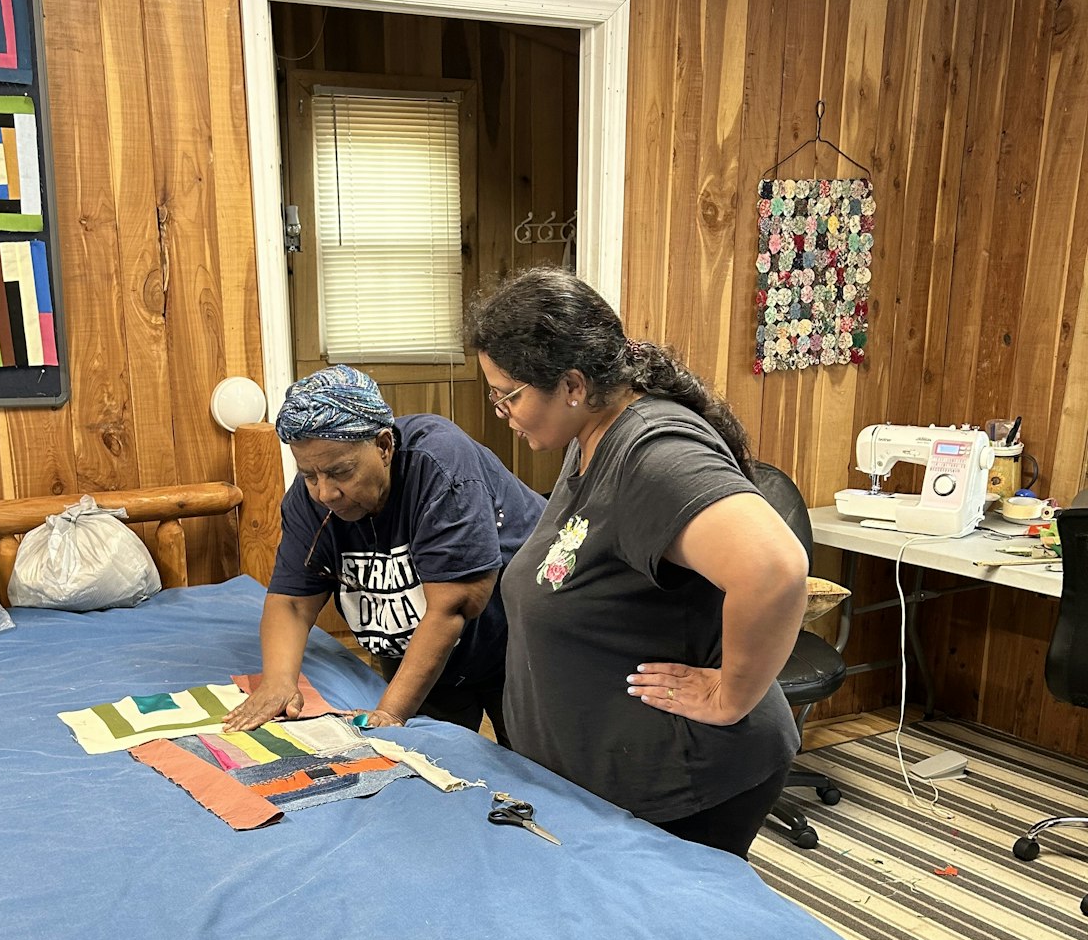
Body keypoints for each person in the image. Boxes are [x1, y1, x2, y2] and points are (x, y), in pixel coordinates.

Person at [464, 266, 808, 858]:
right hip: (609, 784)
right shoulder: (590, 438)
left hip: (684, 784)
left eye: (508, 394)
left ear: (572, 384)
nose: (501, 411)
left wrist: (730, 695)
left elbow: (774, 569)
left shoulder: (652, 453)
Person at [224, 364, 544, 745]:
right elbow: (292, 602)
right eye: (309, 475)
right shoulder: (309, 502)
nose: (325, 493)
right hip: (423, 653)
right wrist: (277, 682)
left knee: (533, 764)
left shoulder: (440, 465)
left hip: (518, 643)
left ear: (384, 446)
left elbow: (452, 607)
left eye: (341, 472)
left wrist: (390, 712)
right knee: (430, 759)